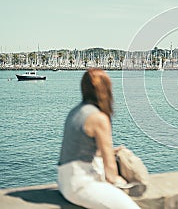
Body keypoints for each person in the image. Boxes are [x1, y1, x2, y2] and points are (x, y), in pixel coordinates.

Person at [58, 68, 140, 209]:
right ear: (105, 89)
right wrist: (123, 183)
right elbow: (110, 171)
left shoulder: (76, 111)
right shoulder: (98, 118)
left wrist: (111, 152)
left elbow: (81, 150)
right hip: (81, 184)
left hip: (64, 181)